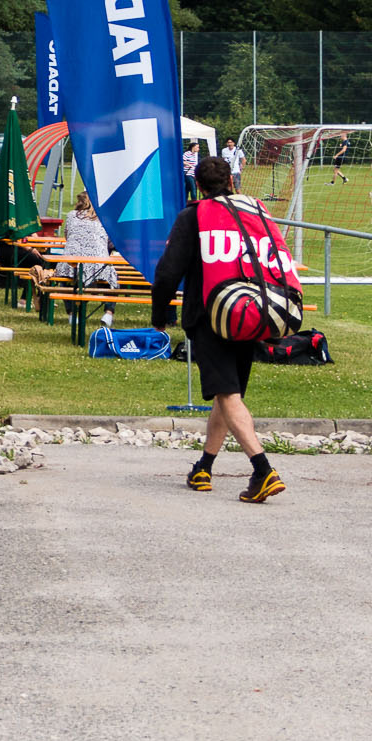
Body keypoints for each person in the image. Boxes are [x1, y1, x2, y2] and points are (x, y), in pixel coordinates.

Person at [150, 155, 289, 503]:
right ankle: (204, 467)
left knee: (226, 394)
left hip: (209, 317)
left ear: (198, 185)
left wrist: (159, 315)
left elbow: (167, 273)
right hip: (251, 313)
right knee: (228, 395)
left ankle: (263, 470)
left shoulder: (193, 216)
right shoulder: (251, 212)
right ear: (231, 182)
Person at [55, 190, 115, 291]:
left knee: (65, 276)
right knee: (112, 279)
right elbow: (109, 242)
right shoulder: (104, 217)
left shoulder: (71, 215)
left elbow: (67, 236)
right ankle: (109, 307)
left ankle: (70, 306)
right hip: (98, 265)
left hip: (70, 264)